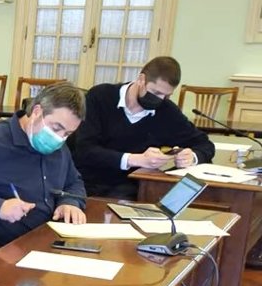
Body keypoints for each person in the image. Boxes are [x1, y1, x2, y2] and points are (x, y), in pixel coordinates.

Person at [0, 83, 89, 245]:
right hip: (5, 247)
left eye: (67, 133)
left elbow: (74, 181)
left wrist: (70, 203)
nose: (59, 138)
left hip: (50, 238)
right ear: (37, 112)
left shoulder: (58, 145)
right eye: (56, 128)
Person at [72, 56, 215, 198]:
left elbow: (205, 144)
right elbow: (85, 149)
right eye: (156, 93)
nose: (160, 99)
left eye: (167, 96)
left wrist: (192, 157)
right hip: (86, 182)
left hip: (132, 189)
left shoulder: (167, 111)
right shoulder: (100, 96)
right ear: (141, 79)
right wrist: (136, 159)